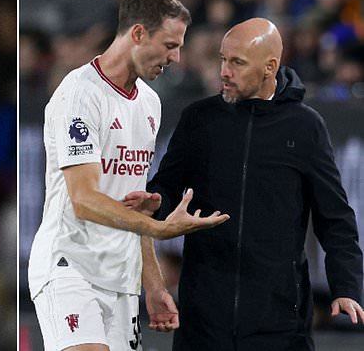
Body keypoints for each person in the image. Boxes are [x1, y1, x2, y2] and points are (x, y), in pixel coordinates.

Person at [129, 18, 364, 350]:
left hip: (280, 325)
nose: (224, 71)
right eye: (223, 59)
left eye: (236, 62)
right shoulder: (199, 119)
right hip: (203, 321)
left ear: (270, 67)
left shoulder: (305, 127)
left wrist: (346, 287)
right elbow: (167, 186)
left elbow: (335, 218)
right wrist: (156, 202)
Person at [27, 0, 230, 351]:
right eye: (170, 45)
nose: (177, 58)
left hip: (121, 280)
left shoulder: (150, 104)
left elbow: (133, 204)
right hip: (69, 266)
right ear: (138, 33)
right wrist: (161, 228)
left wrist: (153, 285)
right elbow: (85, 200)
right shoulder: (80, 95)